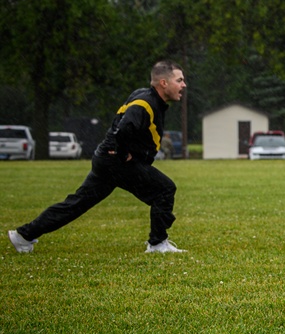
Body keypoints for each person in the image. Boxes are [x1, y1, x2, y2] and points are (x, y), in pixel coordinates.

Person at [8, 60, 187, 254]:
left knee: (76, 204)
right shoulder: (145, 104)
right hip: (115, 162)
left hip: (107, 160)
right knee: (164, 189)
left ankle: (24, 235)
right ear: (163, 83)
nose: (183, 85)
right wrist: (120, 151)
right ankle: (158, 244)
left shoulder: (143, 96)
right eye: (179, 80)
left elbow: (119, 123)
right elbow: (124, 128)